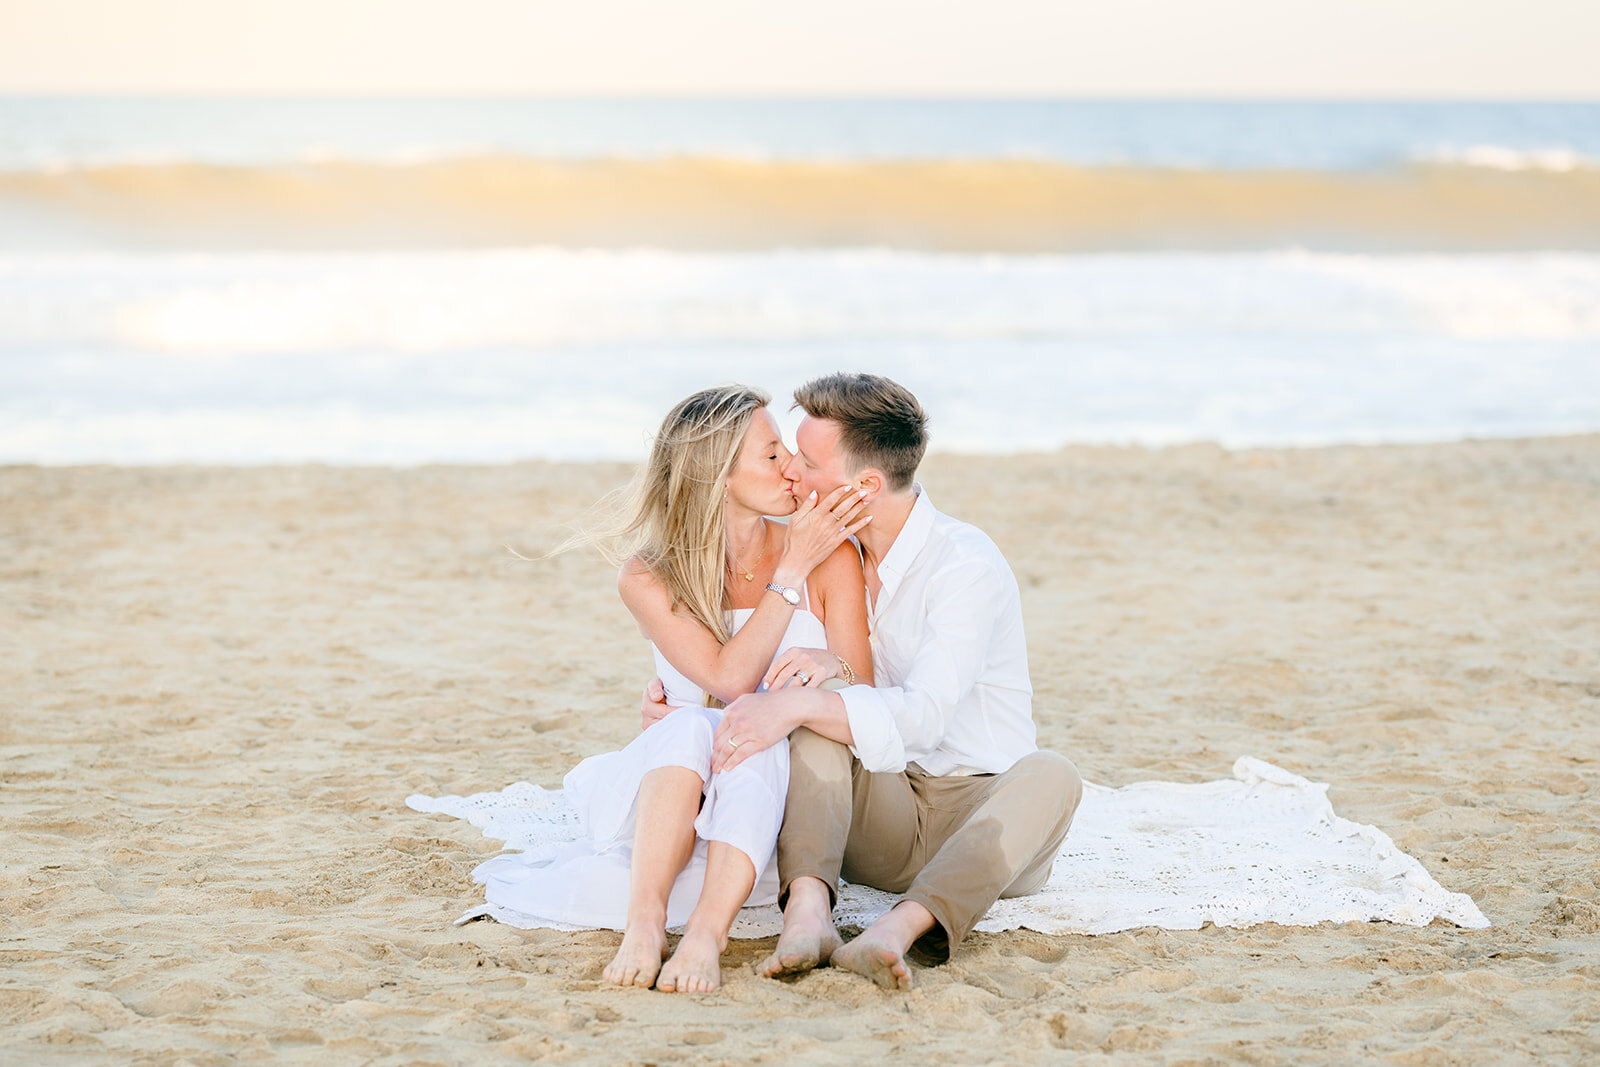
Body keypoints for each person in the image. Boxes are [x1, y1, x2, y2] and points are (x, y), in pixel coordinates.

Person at [649, 372, 1083, 990]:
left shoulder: (964, 566)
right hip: (881, 812)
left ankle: (895, 931)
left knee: (1055, 773)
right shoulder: (834, 553)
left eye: (807, 459)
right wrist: (685, 710)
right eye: (787, 454)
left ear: (865, 486)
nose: (791, 471)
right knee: (816, 710)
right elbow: (756, 663)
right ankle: (809, 912)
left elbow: (927, 715)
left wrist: (806, 700)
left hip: (983, 821)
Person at [472, 385, 873, 993]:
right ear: (716, 476)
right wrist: (788, 573)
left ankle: (707, 935)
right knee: (690, 724)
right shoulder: (650, 576)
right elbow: (730, 678)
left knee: (748, 730)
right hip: (679, 786)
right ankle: (647, 924)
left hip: (785, 795)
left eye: (787, 451)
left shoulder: (828, 555)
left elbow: (865, 686)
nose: (792, 467)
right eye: (771, 455)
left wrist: (828, 661)